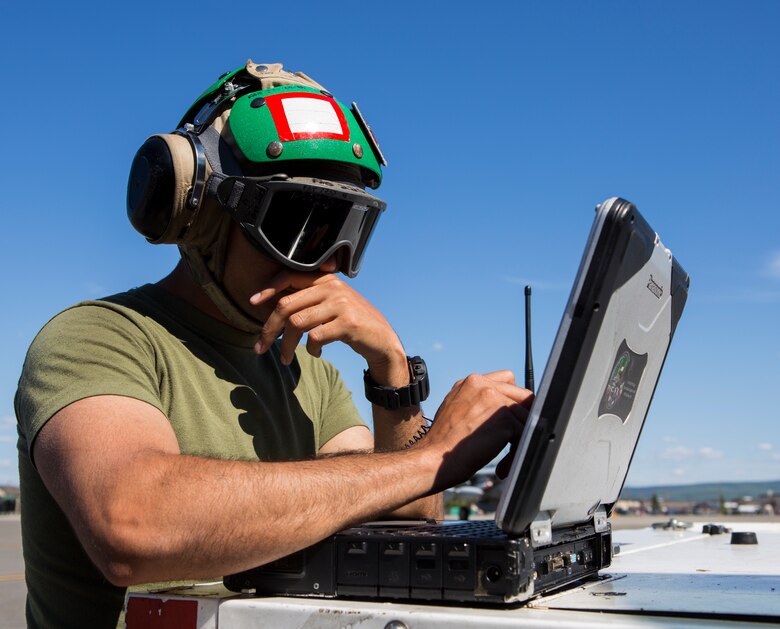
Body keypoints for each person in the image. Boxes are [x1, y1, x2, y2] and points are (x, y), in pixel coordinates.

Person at [15, 61, 532, 628]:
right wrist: (435, 455)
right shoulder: (99, 338)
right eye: (301, 226)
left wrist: (392, 373)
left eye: (348, 231)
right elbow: (133, 525)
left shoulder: (310, 372)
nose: (332, 265)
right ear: (201, 210)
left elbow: (404, 515)